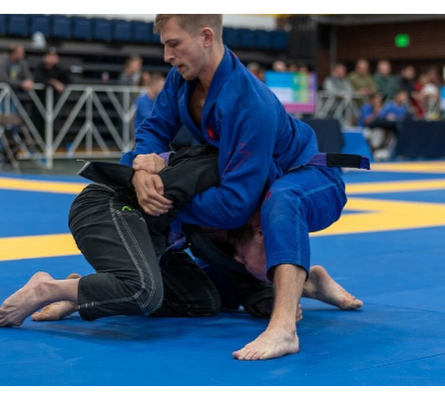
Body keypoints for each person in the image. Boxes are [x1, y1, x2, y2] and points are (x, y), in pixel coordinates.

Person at [119, 14, 349, 361]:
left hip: (310, 178)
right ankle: (308, 281)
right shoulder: (181, 79)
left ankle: (284, 328)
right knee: (217, 293)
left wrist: (166, 197)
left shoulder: (248, 102)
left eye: (174, 44)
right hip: (259, 182)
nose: (167, 56)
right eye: (165, 45)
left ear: (206, 37)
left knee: (280, 200)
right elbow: (154, 129)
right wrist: (141, 167)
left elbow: (235, 205)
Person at [0, 146, 362, 327]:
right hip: (110, 204)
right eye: (272, 268)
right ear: (265, 234)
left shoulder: (232, 240)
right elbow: (149, 182)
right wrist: (146, 165)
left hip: (150, 239)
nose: (244, 265)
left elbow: (245, 286)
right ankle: (49, 287)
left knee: (203, 301)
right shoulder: (226, 189)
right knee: (143, 290)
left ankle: (83, 289)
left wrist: (283, 299)